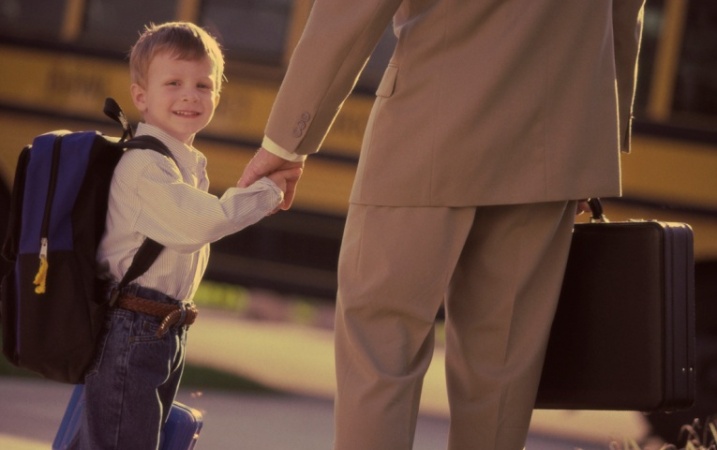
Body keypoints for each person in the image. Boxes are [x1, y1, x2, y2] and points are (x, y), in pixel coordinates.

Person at [239, 1, 645, 449]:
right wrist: (594, 136)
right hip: (553, 145)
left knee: (381, 350)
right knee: (502, 369)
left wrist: (286, 143)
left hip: (425, 131)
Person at [72, 22, 301, 450]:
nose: (190, 95)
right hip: (131, 331)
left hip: (160, 330)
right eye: (173, 82)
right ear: (141, 96)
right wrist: (269, 190)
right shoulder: (144, 168)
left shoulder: (181, 164)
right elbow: (201, 225)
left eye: (203, 85)